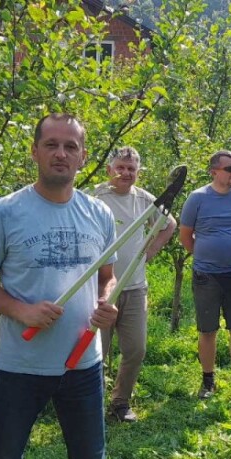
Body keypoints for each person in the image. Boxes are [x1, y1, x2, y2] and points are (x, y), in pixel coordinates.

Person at [0, 113, 118, 459]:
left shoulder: (98, 213)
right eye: (51, 144)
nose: (61, 154)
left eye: (71, 146)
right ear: (34, 151)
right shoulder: (4, 213)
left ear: (83, 156)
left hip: (84, 364)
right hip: (22, 366)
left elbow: (108, 276)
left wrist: (106, 301)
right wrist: (22, 311)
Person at [91, 146, 177, 422]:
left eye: (131, 169)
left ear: (138, 173)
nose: (125, 173)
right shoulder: (95, 197)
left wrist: (149, 252)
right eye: (121, 167)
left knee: (136, 349)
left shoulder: (145, 200)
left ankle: (120, 403)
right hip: (99, 288)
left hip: (135, 286)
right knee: (96, 352)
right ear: (109, 170)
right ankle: (90, 404)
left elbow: (169, 224)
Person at [179, 150, 231, 403]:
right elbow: (185, 235)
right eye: (230, 169)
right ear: (214, 171)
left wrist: (227, 249)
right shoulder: (197, 198)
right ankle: (208, 381)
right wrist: (206, 255)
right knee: (207, 330)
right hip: (206, 277)